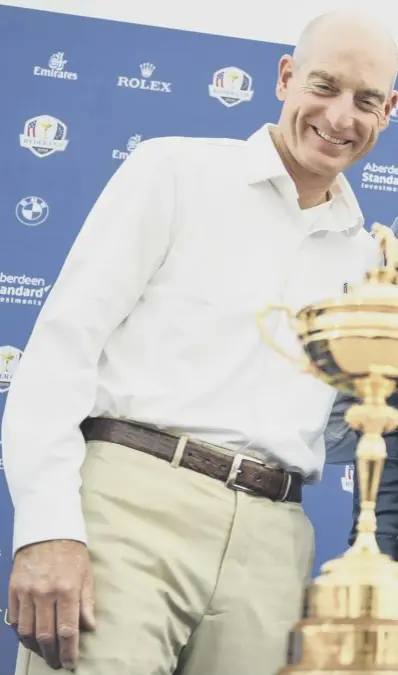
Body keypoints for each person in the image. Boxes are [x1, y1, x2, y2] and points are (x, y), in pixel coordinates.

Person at [3, 10, 398, 675]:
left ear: (388, 110)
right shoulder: (174, 171)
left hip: (276, 542)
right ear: (285, 76)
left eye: (365, 101)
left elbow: (331, 432)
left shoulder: (368, 263)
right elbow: (62, 348)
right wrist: (48, 526)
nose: (339, 116)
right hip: (130, 508)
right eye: (324, 86)